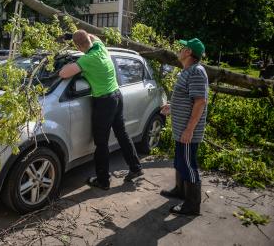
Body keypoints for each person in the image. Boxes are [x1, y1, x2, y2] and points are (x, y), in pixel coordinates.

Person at [59, 29, 143, 190]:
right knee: (122, 133)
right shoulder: (100, 47)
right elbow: (91, 36)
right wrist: (73, 36)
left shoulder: (87, 59)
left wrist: (70, 61)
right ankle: (136, 167)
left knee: (101, 142)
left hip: (104, 102)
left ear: (78, 46)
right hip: (117, 96)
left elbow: (63, 74)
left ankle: (103, 180)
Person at [160, 38, 208, 216]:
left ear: (188, 52)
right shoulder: (187, 71)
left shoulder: (196, 71)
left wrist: (189, 130)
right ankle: (180, 191)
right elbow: (187, 98)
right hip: (181, 130)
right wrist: (171, 107)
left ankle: (192, 205)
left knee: (188, 165)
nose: (179, 50)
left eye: (182, 48)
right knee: (180, 162)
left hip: (188, 132)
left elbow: (200, 101)